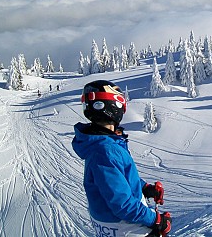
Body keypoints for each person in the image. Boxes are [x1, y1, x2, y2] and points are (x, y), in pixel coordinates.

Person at [72, 80, 172, 237]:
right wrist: (157, 220)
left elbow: (119, 178)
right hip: (126, 228)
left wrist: (145, 188)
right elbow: (123, 205)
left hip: (115, 225)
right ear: (112, 105)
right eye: (120, 101)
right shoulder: (106, 150)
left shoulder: (102, 142)